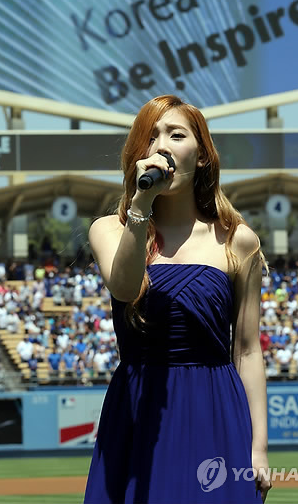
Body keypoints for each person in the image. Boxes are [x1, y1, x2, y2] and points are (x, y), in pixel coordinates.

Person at [83, 95, 272, 504]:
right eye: (150, 138)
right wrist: (140, 206)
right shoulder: (109, 230)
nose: (162, 146)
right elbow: (125, 287)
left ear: (202, 155)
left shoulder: (238, 241)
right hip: (137, 409)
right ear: (138, 155)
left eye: (176, 134)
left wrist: (258, 447)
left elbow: (247, 349)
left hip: (215, 408)